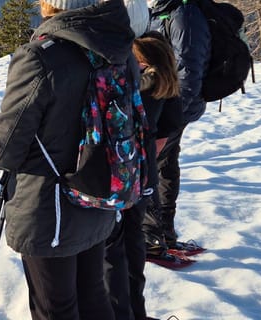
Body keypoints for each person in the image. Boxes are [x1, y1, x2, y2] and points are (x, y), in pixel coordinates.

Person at [0, 0, 138, 318]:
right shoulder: (118, 47)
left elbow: (4, 149)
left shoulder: (41, 57)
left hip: (49, 208)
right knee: (94, 295)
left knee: (56, 308)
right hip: (101, 194)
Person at [103, 4, 186, 317]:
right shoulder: (162, 66)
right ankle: (135, 310)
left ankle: (120, 311)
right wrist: (146, 155)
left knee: (112, 251)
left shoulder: (128, 66)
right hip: (142, 174)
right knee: (133, 244)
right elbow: (169, 126)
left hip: (118, 175)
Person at [145, 0, 211, 253]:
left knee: (153, 167)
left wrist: (171, 117)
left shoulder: (184, 15)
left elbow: (188, 69)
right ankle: (163, 233)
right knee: (164, 166)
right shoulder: (159, 11)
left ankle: (152, 236)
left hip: (174, 108)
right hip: (163, 107)